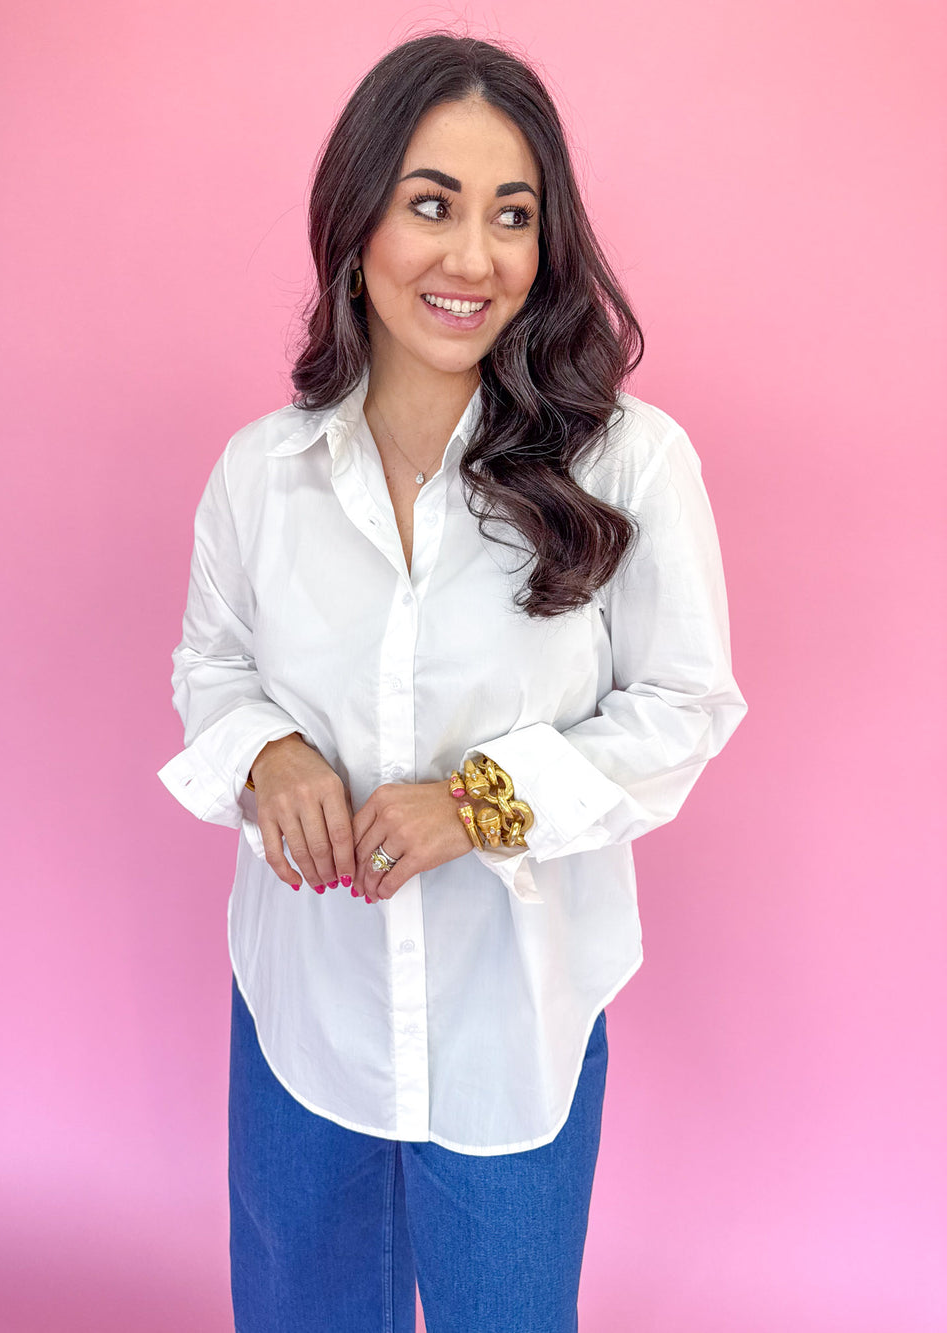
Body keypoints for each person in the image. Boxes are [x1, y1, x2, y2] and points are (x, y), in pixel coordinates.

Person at [158, 31, 746, 1333]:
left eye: (512, 216)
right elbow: (214, 664)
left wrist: (481, 802)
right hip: (305, 1010)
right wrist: (268, 753)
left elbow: (682, 706)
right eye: (432, 205)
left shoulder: (630, 466)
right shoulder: (262, 474)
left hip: (511, 1024)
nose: (474, 258)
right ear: (358, 218)